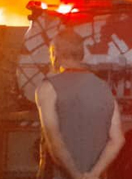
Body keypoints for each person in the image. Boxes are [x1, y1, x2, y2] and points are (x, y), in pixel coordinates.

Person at [35, 28, 125, 179]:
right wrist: (94, 174)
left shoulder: (48, 88)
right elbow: (118, 139)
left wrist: (76, 175)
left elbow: (54, 140)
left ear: (54, 53)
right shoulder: (104, 87)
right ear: (81, 54)